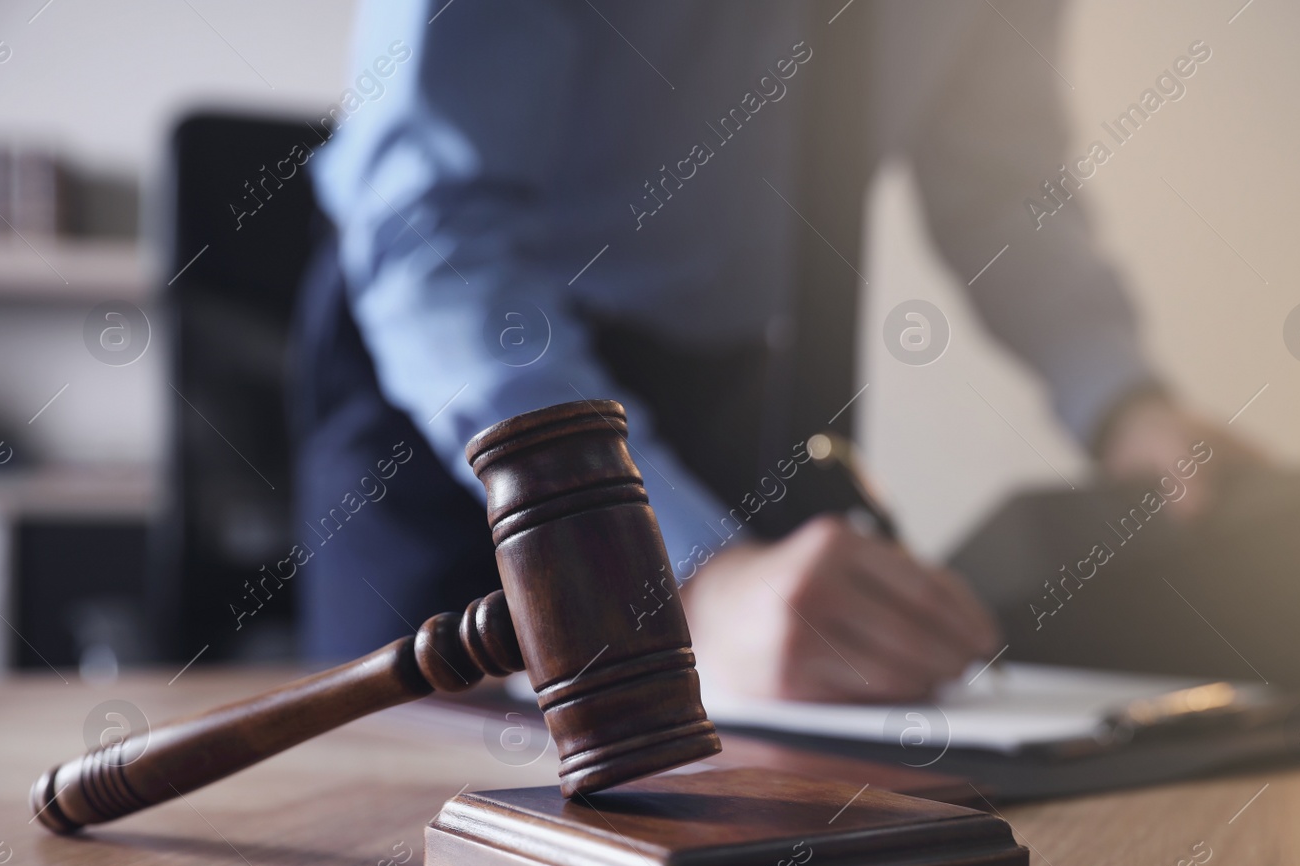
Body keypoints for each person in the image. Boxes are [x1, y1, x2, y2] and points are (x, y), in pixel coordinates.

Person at [298, 0, 1247, 702]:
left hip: (720, 402)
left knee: (747, 802)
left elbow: (1001, 190)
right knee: (413, 847)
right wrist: (682, 576)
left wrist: (1127, 403)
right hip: (466, 409)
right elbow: (434, 237)